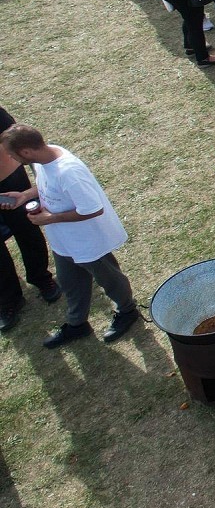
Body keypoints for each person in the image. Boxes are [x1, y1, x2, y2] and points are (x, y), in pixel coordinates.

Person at [0, 125, 139, 349]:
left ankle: (128, 310)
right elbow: (48, 186)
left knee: (109, 279)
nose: (10, 158)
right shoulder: (42, 159)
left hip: (89, 242)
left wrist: (50, 218)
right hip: (64, 241)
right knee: (70, 283)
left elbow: (92, 209)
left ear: (25, 152)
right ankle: (77, 324)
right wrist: (25, 195)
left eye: (11, 154)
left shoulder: (69, 172)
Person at [0, 107, 61, 333]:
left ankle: (41, 277)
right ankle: (9, 298)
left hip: (7, 178)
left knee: (26, 227)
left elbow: (12, 143)